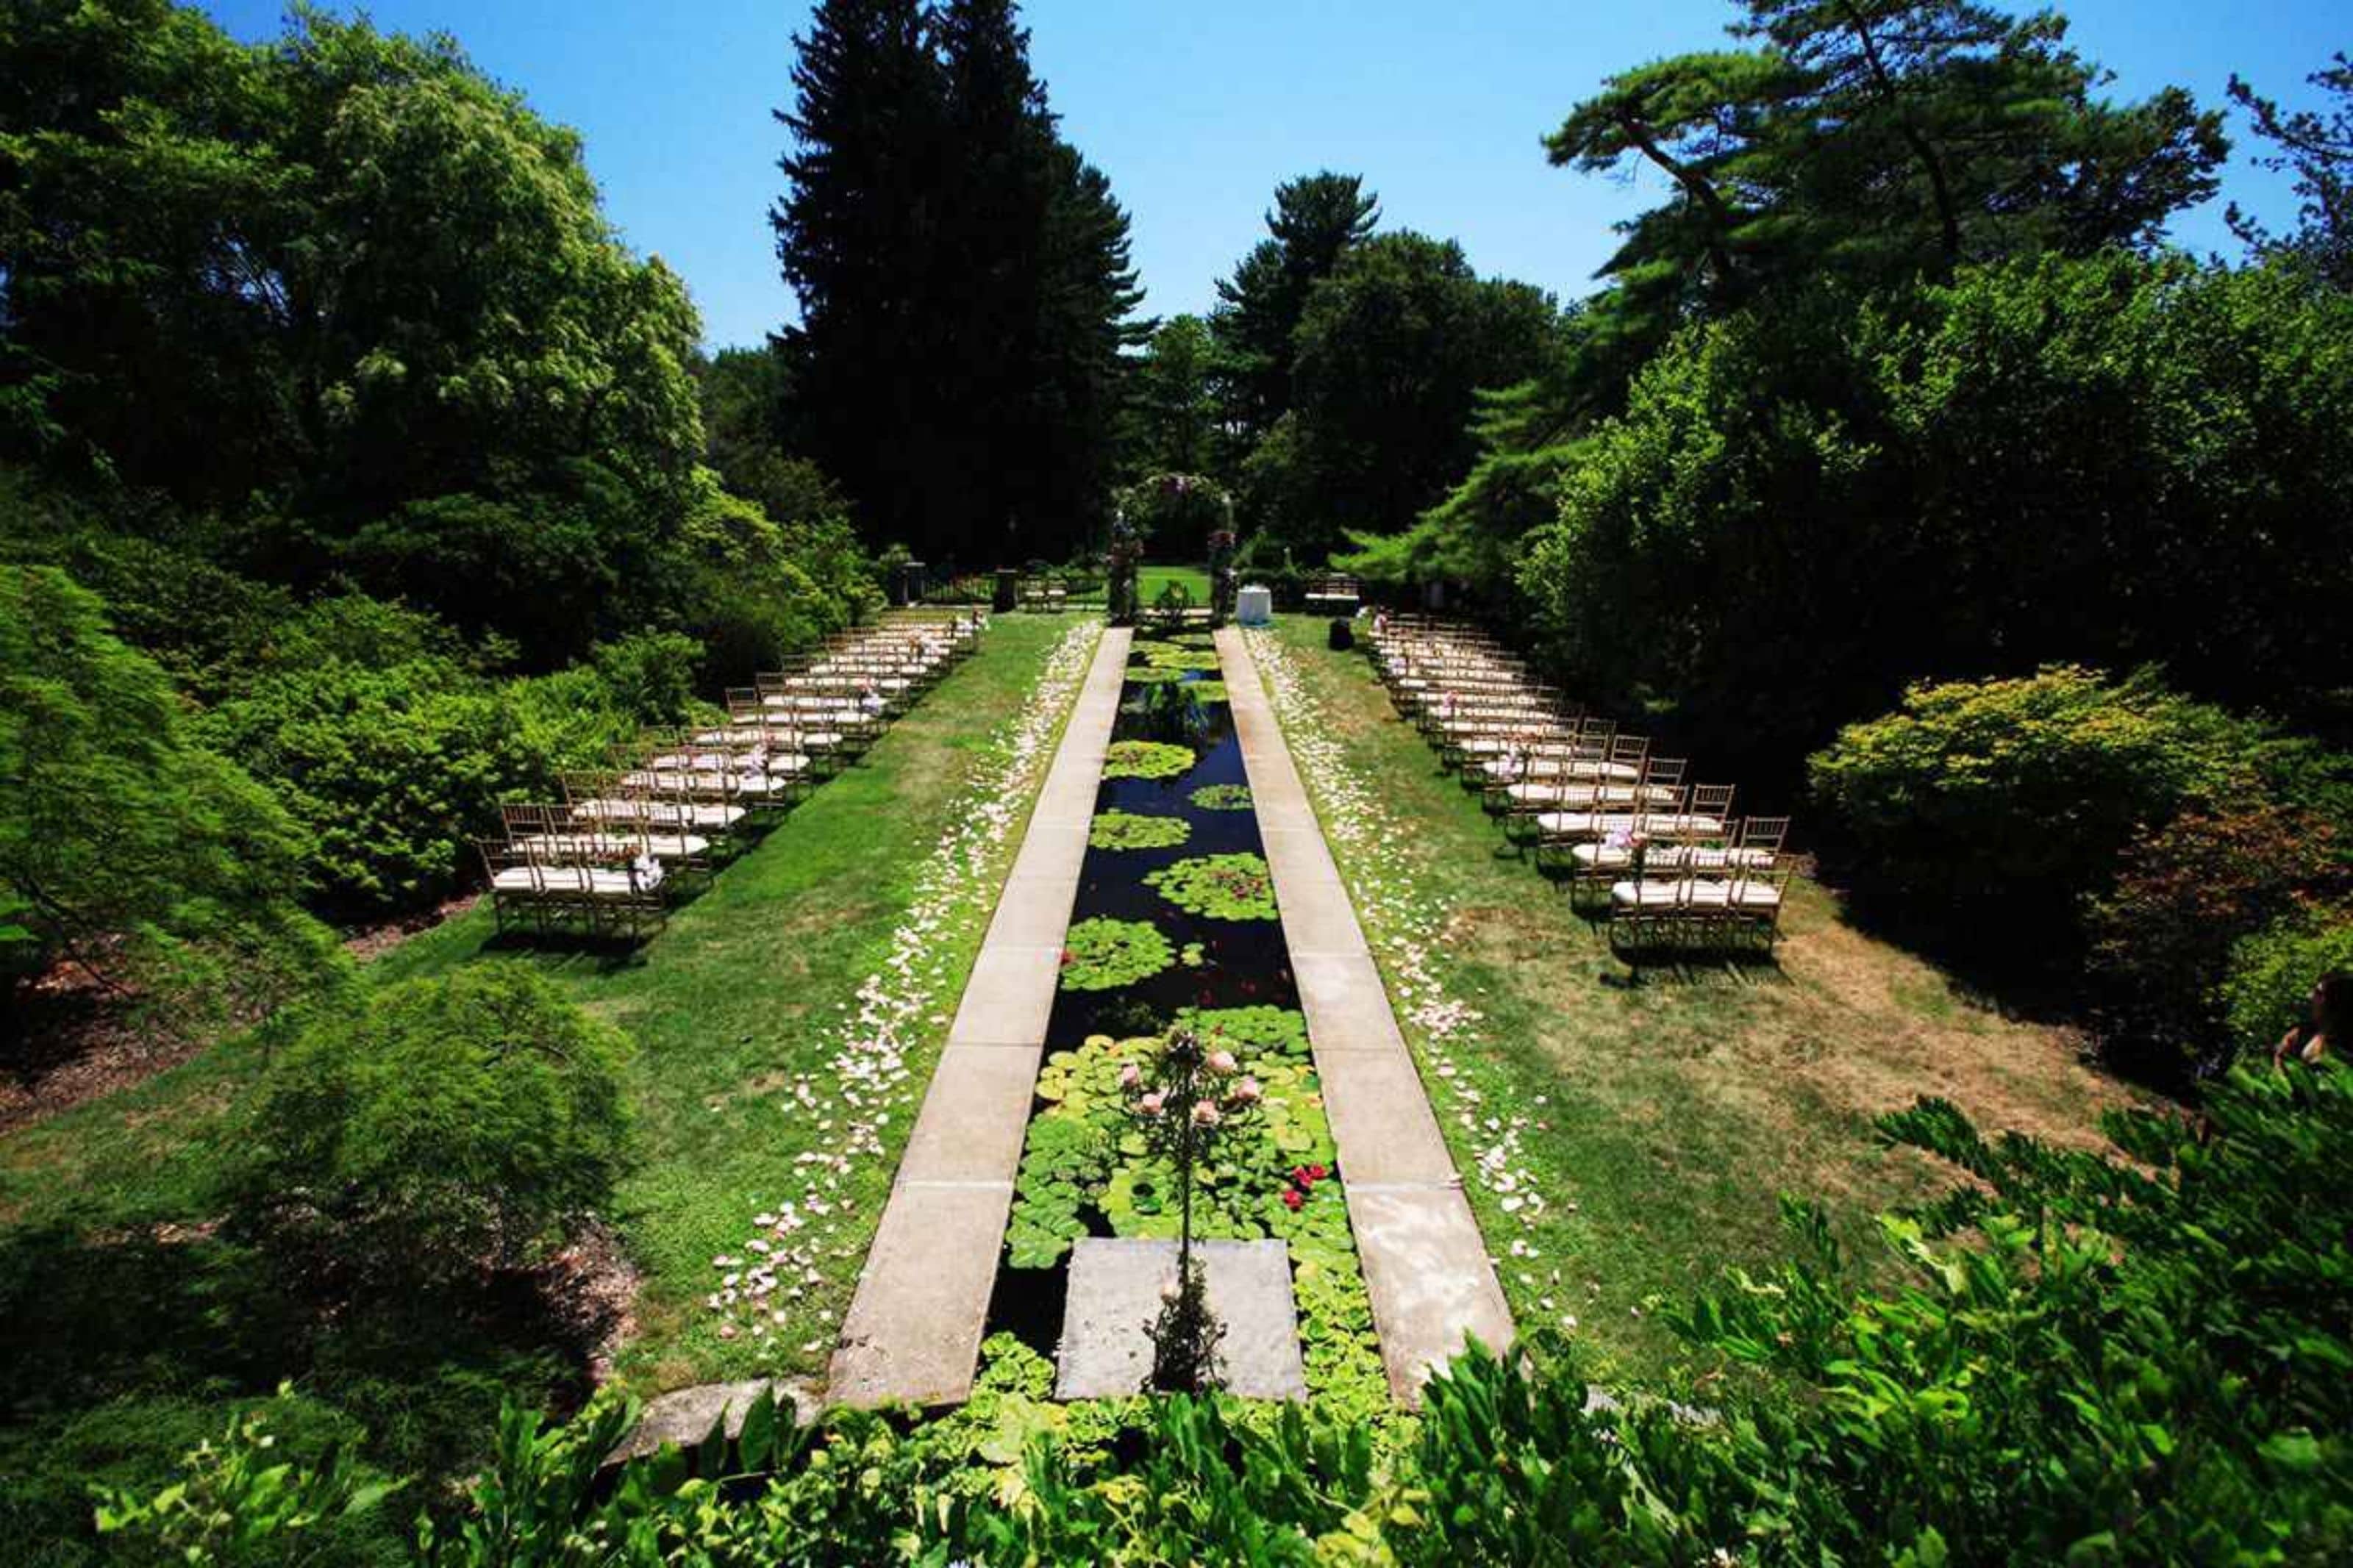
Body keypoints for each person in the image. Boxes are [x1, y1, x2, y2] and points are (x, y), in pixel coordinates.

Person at [2273, 970, 2351, 1069]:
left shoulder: (2345, 1041)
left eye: (2319, 993)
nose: (2311, 997)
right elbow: (2280, 1066)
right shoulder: (2299, 1036)